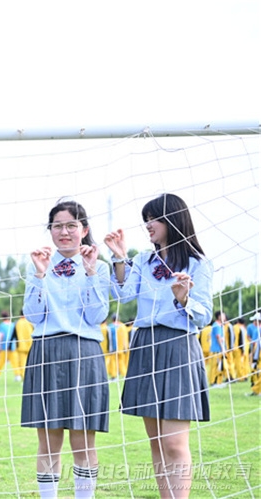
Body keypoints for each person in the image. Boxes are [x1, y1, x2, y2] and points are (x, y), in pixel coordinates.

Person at [105, 193, 213, 498]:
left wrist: (184, 298)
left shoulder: (198, 264)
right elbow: (124, 295)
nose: (148, 225)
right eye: (146, 220)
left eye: (154, 219)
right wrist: (119, 257)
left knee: (174, 443)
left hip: (178, 347)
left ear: (173, 220)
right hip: (145, 346)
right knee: (156, 443)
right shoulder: (143, 260)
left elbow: (204, 316)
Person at [22, 199, 110, 499]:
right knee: (48, 441)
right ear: (50, 230)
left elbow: (97, 316)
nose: (64, 232)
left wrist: (91, 272)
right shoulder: (37, 264)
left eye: (71, 225)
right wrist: (39, 275)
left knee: (84, 442)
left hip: (85, 353)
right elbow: (33, 316)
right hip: (45, 352)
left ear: (84, 229)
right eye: (57, 226)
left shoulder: (100, 267)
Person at [0, 310, 16, 380]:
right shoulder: (12, 325)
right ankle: (18, 375)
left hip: (4, 346)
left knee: (1, 361)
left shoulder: (2, 325)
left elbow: (1, 335)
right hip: (12, 345)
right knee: (15, 362)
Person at [209, 311, 228, 385]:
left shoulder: (220, 325)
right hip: (216, 349)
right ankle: (213, 382)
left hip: (218, 349)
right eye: (223, 315)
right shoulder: (217, 326)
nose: (224, 317)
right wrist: (223, 348)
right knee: (215, 366)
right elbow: (218, 337)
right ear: (219, 316)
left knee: (220, 366)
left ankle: (218, 382)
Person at [14, 313, 33, 380]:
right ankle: (31, 377)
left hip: (21, 345)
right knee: (31, 362)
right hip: (30, 345)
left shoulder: (18, 323)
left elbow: (15, 334)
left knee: (22, 363)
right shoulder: (30, 322)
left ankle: (24, 377)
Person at [247, 312, 261, 396]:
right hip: (257, 353)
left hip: (258, 354)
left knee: (256, 371)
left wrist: (252, 354)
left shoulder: (257, 330)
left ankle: (256, 390)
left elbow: (255, 344)